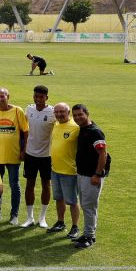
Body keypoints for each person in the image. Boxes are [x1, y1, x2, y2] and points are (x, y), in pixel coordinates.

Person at [0, 87, 28, 225]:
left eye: (2, 96)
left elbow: (25, 132)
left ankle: (14, 215)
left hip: (13, 155)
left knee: (14, 185)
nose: (0, 99)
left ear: (8, 97)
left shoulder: (17, 111)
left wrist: (24, 150)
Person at [72, 104, 111, 249]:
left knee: (89, 207)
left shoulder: (95, 132)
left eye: (80, 114)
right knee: (85, 205)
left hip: (91, 176)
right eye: (75, 115)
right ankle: (87, 233)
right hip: (82, 174)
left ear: (87, 114)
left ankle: (89, 236)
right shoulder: (83, 129)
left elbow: (103, 154)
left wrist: (98, 174)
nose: (77, 117)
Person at [22, 85, 55, 228]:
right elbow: (23, 128)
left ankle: (42, 218)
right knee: (29, 184)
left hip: (47, 155)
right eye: (36, 96)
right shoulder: (29, 109)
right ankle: (29, 217)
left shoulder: (53, 112)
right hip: (30, 154)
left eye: (41, 97)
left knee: (46, 185)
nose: (38, 99)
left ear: (46, 97)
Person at [46, 102, 81, 239]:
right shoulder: (56, 124)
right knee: (58, 198)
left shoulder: (76, 127)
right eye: (56, 112)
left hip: (70, 171)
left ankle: (75, 227)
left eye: (62, 112)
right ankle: (60, 222)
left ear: (68, 113)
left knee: (72, 201)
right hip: (55, 169)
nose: (59, 114)